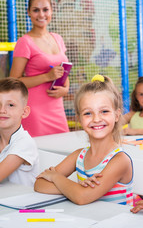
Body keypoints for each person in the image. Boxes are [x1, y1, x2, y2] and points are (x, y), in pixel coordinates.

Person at [34, 74, 133, 205]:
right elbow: (39, 183)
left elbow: (82, 197)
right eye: (88, 113)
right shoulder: (79, 156)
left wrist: (57, 177)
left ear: (116, 115)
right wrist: (76, 188)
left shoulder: (120, 160)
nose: (96, 119)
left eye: (104, 111)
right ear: (79, 119)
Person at [10, 0, 69, 137]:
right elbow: (13, 82)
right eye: (36, 10)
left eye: (45, 9)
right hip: (35, 109)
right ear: (29, 12)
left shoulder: (58, 39)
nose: (41, 14)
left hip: (57, 107)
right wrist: (47, 77)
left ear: (51, 11)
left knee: (63, 148)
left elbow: (64, 72)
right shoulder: (25, 42)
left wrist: (66, 89)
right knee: (39, 154)